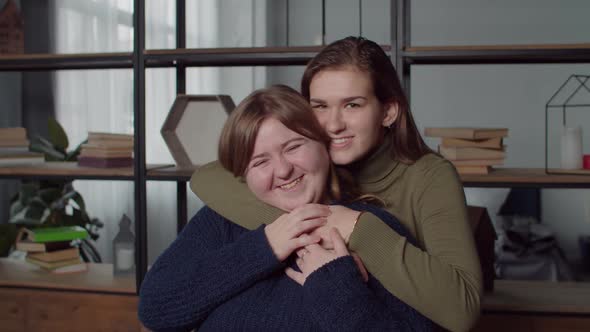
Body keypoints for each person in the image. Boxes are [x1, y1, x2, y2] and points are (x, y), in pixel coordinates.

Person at [191, 37, 483, 331]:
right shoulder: (308, 164)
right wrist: (317, 224)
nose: (333, 125)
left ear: (388, 112)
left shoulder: (430, 175)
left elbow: (462, 309)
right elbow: (208, 177)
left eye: (352, 105)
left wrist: (358, 228)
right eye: (319, 106)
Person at [138, 85, 433, 331]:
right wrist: (264, 247)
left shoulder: (371, 229)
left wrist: (335, 284)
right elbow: (155, 308)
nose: (282, 170)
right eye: (260, 162)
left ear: (324, 146)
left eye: (293, 147)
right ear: (243, 175)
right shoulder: (222, 219)